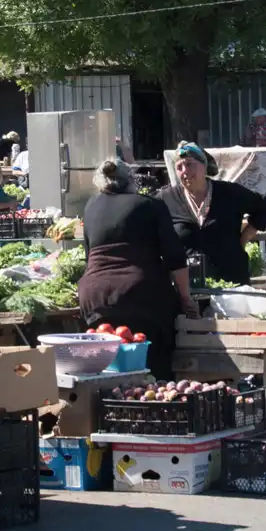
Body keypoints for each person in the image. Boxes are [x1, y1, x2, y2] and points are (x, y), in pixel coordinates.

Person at [78, 159, 198, 380]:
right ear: (130, 180)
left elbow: (89, 255)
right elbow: (175, 257)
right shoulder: (149, 205)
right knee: (152, 366)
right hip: (142, 295)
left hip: (94, 296)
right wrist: (186, 298)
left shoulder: (91, 205)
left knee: (104, 368)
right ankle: (157, 407)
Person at [160, 142, 266, 286]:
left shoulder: (229, 193)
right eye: (179, 167)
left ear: (204, 166)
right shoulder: (167, 198)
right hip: (189, 287)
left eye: (189, 164)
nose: (184, 171)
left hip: (231, 281)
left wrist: (244, 238)